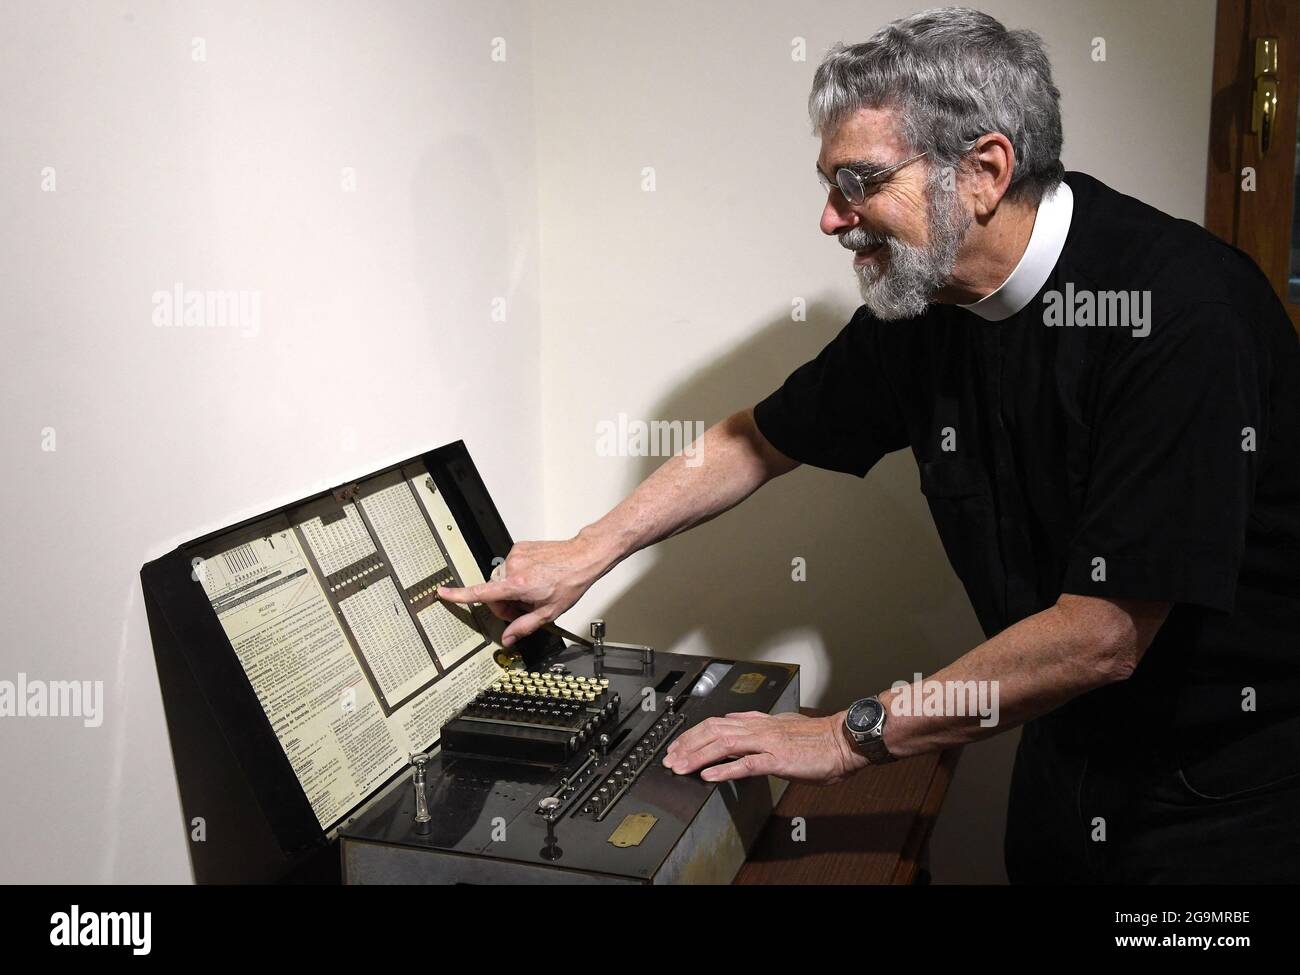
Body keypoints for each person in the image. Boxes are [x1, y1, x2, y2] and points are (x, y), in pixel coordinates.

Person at [440, 7, 1300, 883]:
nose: (830, 218)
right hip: (1064, 750)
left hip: (1226, 790)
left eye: (859, 181)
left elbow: (1102, 634)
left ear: (984, 171)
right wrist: (587, 553)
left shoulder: (1186, 315)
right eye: (828, 182)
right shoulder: (923, 306)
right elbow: (756, 440)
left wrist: (848, 735)